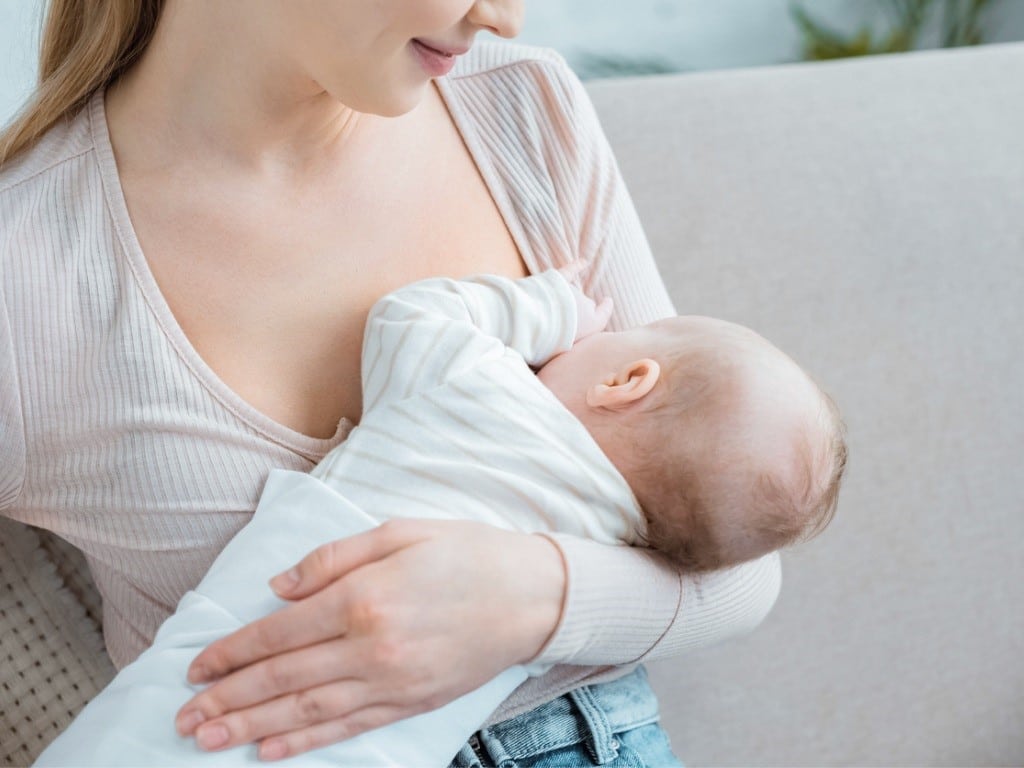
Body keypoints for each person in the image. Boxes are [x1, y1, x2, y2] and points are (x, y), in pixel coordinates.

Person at [1, 1, 785, 764]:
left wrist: (529, 596)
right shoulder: (28, 275)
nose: (505, 19)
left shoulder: (520, 108)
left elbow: (736, 573)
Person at [35, 265, 845, 766]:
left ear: (627, 379)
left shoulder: (482, 389)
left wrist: (553, 307)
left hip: (214, 691)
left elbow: (411, 315)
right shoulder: (623, 539)